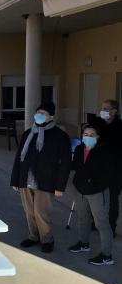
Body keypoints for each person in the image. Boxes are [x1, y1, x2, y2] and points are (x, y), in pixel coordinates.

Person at [11, 102, 71, 253]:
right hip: (26, 179)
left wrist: (60, 186)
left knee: (41, 212)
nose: (39, 115)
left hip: (46, 181)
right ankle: (33, 236)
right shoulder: (28, 133)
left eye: (43, 113)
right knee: (29, 211)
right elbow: (19, 157)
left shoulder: (60, 136)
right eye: (38, 112)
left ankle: (47, 239)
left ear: (51, 116)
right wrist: (15, 179)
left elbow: (65, 163)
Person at [68, 125, 115, 265]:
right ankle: (84, 243)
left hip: (97, 192)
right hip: (80, 190)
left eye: (92, 135)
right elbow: (75, 166)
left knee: (101, 223)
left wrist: (95, 185)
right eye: (86, 134)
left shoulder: (104, 151)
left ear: (97, 137)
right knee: (83, 218)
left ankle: (107, 256)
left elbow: (109, 173)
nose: (88, 137)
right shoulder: (78, 149)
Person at [93, 99, 122, 236]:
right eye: (102, 108)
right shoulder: (97, 123)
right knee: (96, 197)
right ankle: (96, 222)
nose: (103, 111)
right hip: (97, 168)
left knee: (112, 199)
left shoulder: (120, 126)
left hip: (114, 170)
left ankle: (111, 226)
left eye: (106, 109)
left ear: (114, 111)